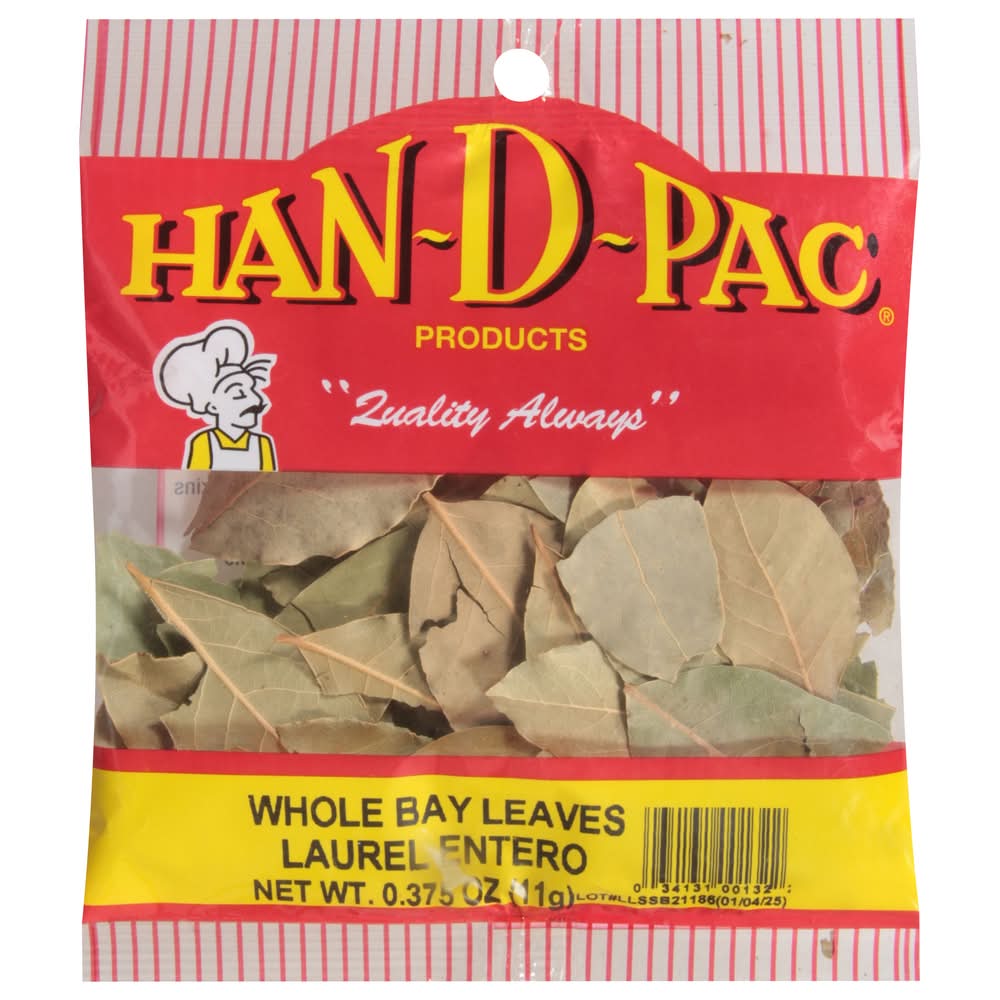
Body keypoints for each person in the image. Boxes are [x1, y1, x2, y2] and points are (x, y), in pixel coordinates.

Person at [154, 320, 278, 470]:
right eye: (238, 393)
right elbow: (195, 480)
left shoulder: (263, 444)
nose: (256, 399)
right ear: (212, 406)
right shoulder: (203, 442)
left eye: (252, 389)